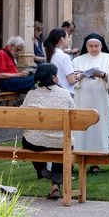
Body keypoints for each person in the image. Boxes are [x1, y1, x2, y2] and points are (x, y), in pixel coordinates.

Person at [21, 63, 75, 200]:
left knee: (28, 140)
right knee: (62, 142)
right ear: (54, 77)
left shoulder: (32, 94)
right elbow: (74, 114)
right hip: (60, 142)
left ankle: (42, 169)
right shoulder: (64, 94)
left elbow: (21, 113)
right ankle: (55, 185)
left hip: (35, 142)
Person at [73, 33, 109, 172]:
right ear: (86, 46)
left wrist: (103, 75)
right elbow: (72, 79)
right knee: (83, 130)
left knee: (99, 129)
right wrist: (81, 75)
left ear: (101, 46)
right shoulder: (77, 60)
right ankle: (80, 158)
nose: (93, 49)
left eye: (96, 46)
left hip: (102, 101)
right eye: (90, 46)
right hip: (82, 101)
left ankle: (97, 162)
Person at [44, 28, 76, 97]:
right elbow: (71, 80)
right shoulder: (64, 57)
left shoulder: (51, 55)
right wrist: (82, 75)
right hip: (66, 93)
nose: (69, 40)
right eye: (67, 37)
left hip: (54, 93)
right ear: (62, 39)